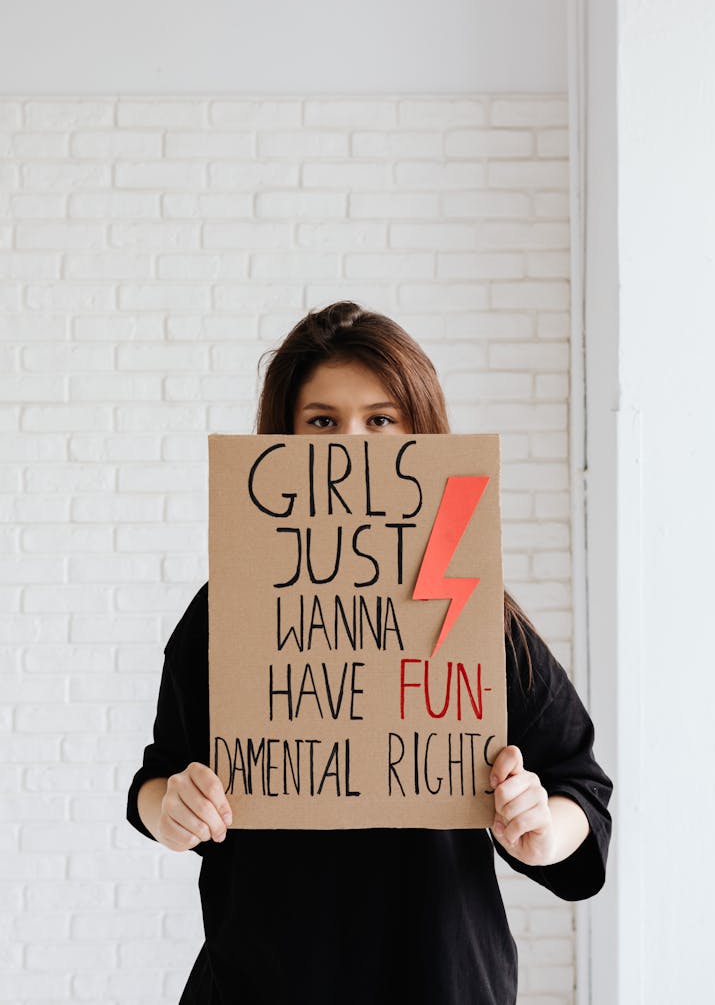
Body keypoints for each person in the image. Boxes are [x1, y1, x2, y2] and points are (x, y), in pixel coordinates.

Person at [126, 300, 613, 1005]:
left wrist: (542, 829)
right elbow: (159, 775)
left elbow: (581, 787)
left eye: (380, 420)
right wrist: (170, 806)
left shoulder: (474, 611)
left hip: (442, 983)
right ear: (283, 439)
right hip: (261, 983)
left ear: (420, 431)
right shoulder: (229, 605)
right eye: (322, 421)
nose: (350, 444)